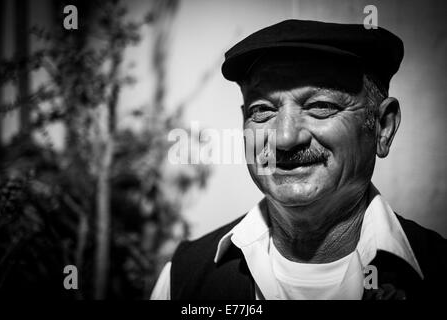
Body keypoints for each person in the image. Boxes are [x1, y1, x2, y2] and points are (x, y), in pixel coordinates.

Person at [150, 19, 447, 300]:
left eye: (320, 106)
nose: (285, 138)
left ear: (382, 127)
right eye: (262, 110)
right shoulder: (183, 280)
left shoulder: (435, 270)